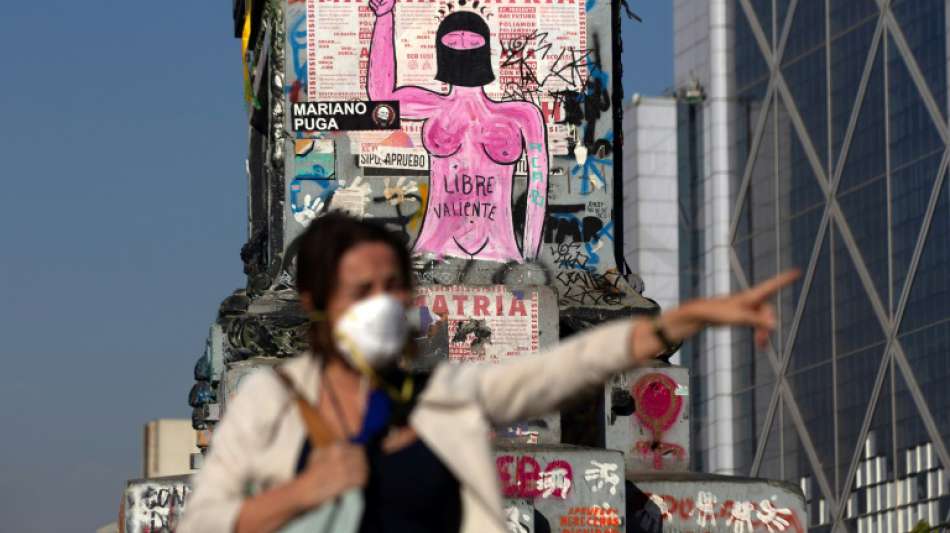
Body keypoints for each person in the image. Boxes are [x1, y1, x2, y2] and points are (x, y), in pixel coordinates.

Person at [179, 213, 798, 533]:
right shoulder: (270, 407)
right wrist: (303, 492)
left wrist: (686, 321)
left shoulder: (446, 398)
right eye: (357, 290)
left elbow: (570, 366)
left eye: (391, 286)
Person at [367, 0, 548, 263]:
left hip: (502, 252)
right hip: (434, 251)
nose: (463, 47)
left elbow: (538, 188)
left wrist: (531, 258)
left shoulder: (523, 115)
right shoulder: (432, 106)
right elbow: (381, 97)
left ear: (485, 48)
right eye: (453, 41)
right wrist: (384, 16)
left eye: (472, 41)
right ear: (441, 49)